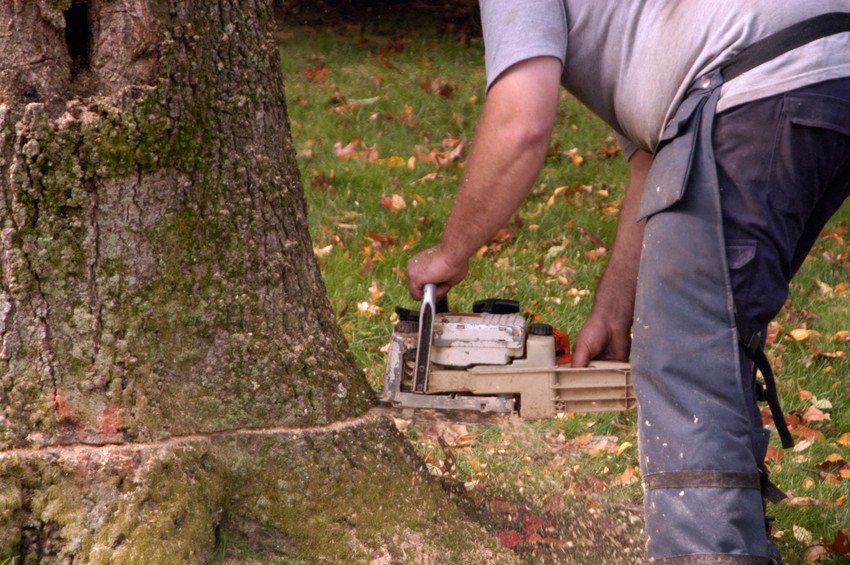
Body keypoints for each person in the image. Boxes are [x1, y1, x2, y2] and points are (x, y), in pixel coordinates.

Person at [405, 2, 850, 563]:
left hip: (751, 87)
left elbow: (521, 121)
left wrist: (450, 253)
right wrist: (615, 308)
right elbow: (657, 159)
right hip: (828, 68)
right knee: (715, 338)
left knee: (686, 363)